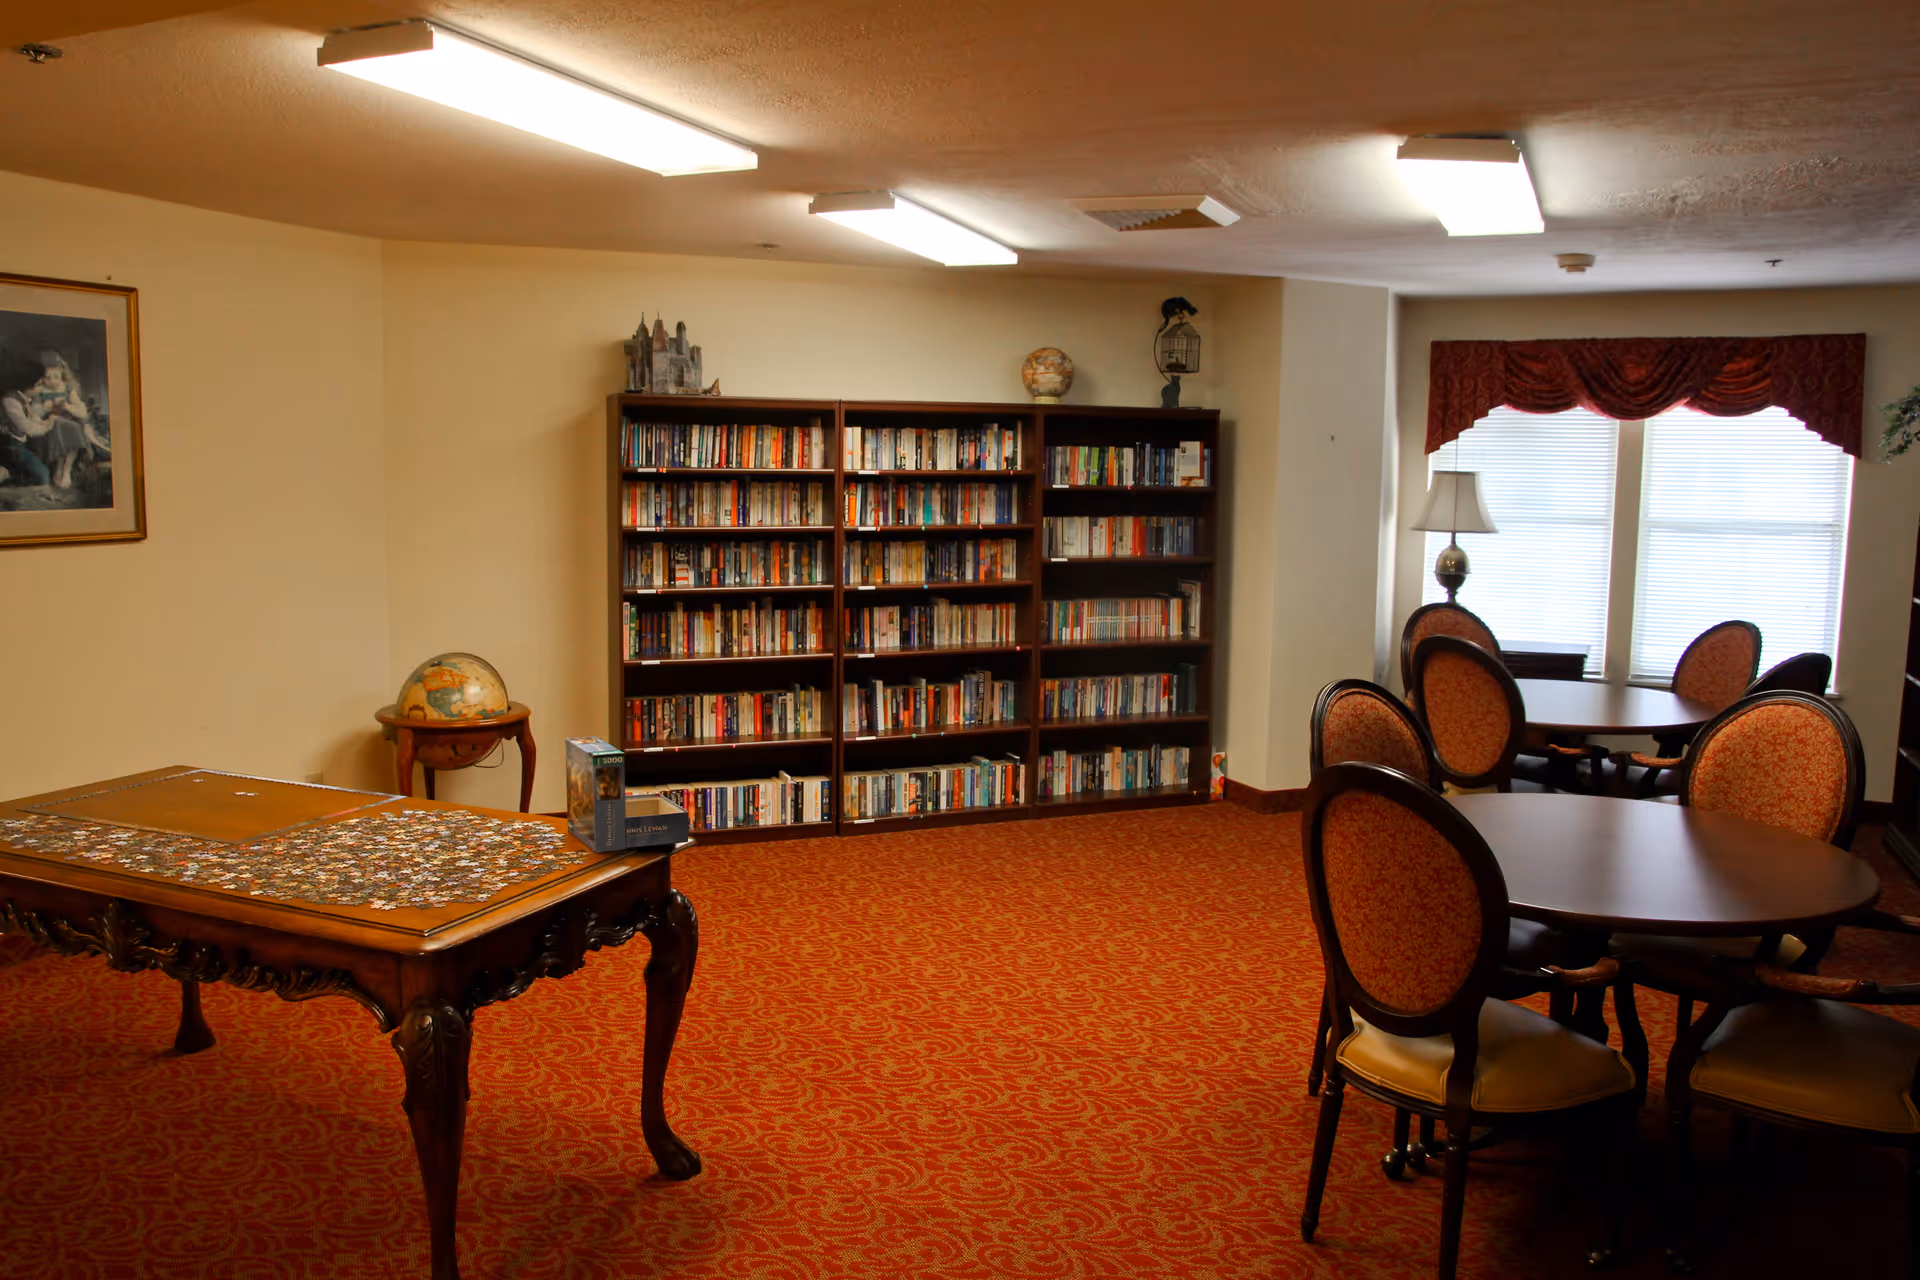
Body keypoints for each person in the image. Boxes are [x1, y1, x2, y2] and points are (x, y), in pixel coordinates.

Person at [0, 352, 108, 489]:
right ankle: (58, 471)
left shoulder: (67, 389)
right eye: (47, 378)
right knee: (64, 427)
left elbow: (81, 410)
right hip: (40, 429)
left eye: (56, 377)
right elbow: (32, 417)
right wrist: (47, 409)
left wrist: (66, 406)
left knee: (75, 426)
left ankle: (66, 470)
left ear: (62, 375)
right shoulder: (33, 393)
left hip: (57, 423)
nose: (50, 381)